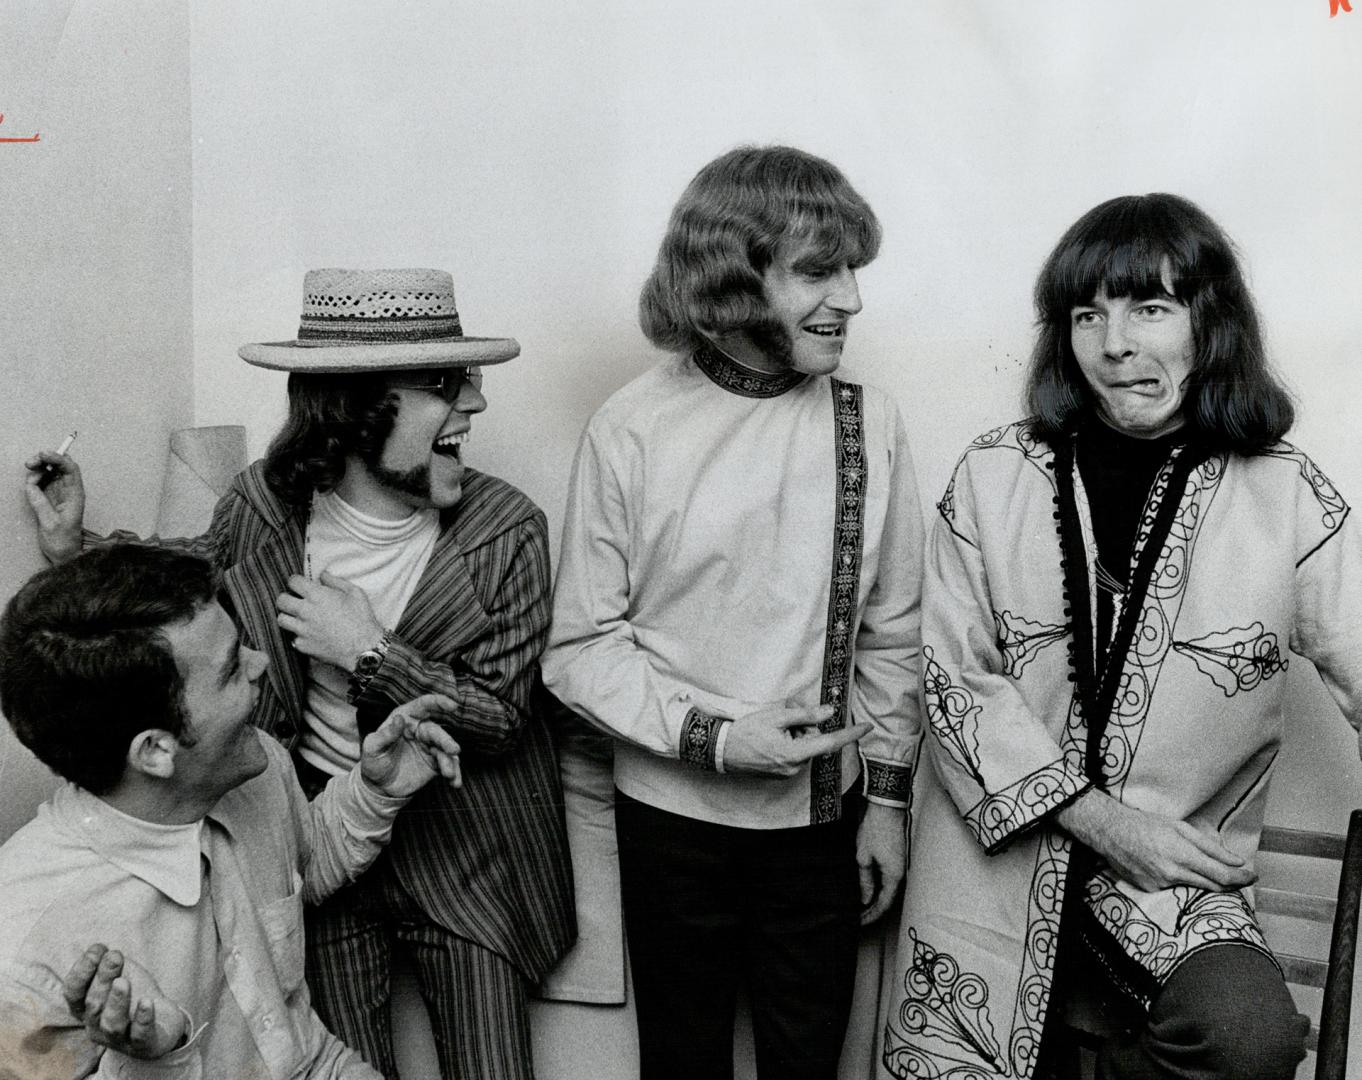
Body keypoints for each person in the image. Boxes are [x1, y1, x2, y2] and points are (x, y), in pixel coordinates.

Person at [25, 268, 575, 1080]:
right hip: (318, 849)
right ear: (354, 410)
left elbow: (501, 719)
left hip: (468, 857)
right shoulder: (267, 502)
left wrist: (372, 654)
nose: (474, 404)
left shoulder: (509, 531)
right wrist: (78, 549)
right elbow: (195, 572)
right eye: (441, 384)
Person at [880, 193, 1360, 1080]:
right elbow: (950, 676)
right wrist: (1096, 818)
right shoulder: (991, 476)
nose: (1114, 344)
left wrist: (1138, 841)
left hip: (1169, 886)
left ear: (1208, 321)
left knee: (1249, 1041)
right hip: (994, 875)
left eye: (1150, 307)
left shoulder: (1288, 497)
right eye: (1086, 314)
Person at [542, 146, 924, 1080]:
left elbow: (891, 634)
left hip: (821, 822)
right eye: (817, 271)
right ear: (734, 277)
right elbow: (582, 647)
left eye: (853, 270)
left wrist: (884, 806)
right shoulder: (629, 428)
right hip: (670, 819)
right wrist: (718, 737)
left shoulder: (867, 423)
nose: (851, 300)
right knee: (683, 1063)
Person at [0, 544, 464, 1079]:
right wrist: (157, 1057)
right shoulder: (24, 952)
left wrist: (376, 791)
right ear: (155, 751)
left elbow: (300, 860)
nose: (261, 663)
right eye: (229, 670)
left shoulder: (256, 764)